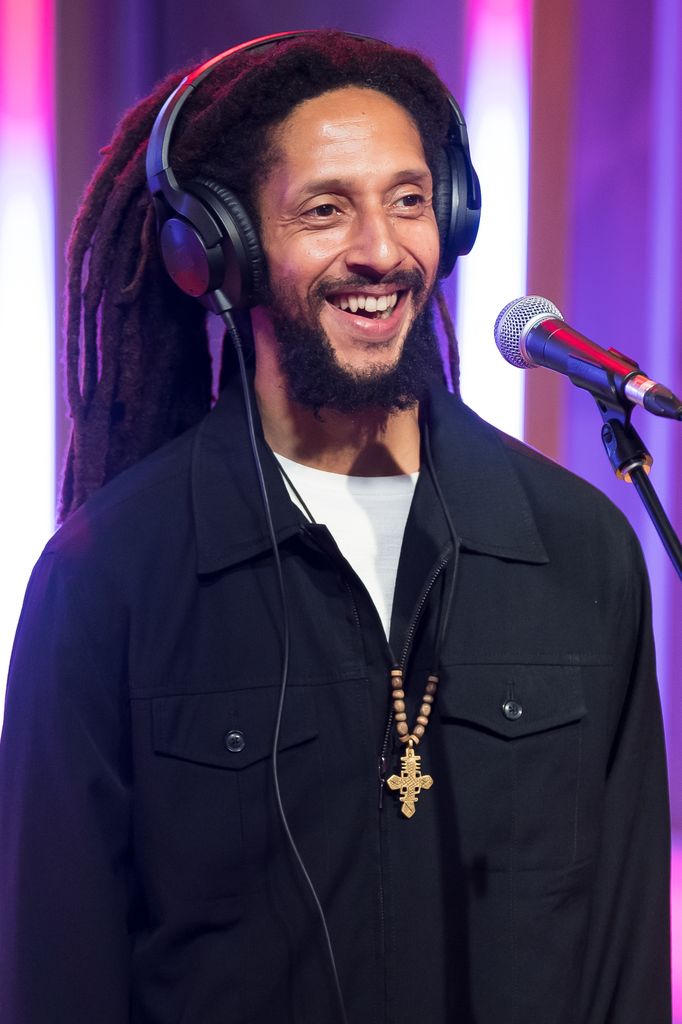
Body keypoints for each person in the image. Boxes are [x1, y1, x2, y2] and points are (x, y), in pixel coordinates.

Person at [0, 29, 671, 1024]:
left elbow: (624, 966)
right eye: (326, 209)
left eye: (408, 200)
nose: (381, 249)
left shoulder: (576, 550)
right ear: (218, 249)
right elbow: (55, 978)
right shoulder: (112, 578)